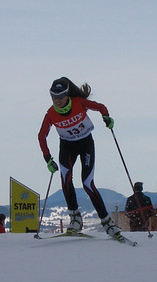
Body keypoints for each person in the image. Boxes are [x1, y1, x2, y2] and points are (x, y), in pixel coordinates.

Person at [37, 77, 121, 237]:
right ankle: (75, 218)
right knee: (65, 179)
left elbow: (100, 107)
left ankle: (107, 223)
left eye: (61, 96)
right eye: (54, 97)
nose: (58, 100)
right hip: (67, 146)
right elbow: (41, 136)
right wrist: (47, 158)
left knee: (87, 183)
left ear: (67, 95)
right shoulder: (51, 113)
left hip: (85, 144)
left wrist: (107, 117)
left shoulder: (78, 102)